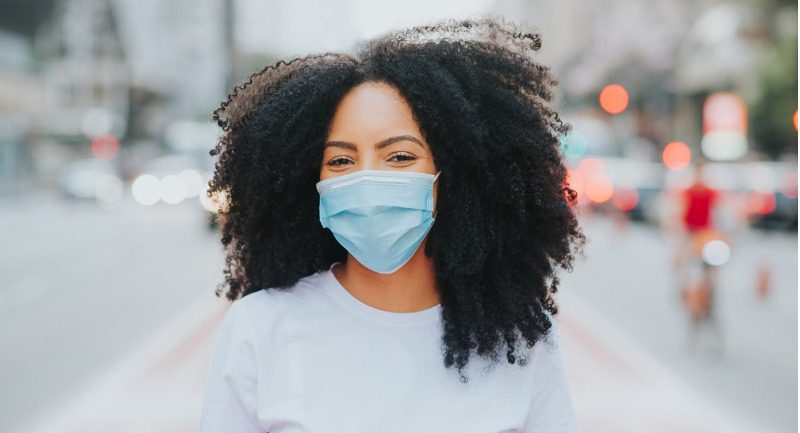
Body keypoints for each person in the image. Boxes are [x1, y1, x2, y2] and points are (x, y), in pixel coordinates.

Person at [199, 17, 585, 433]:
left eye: (400, 157)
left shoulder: (521, 336)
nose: (366, 179)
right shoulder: (260, 327)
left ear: (454, 175)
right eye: (341, 161)